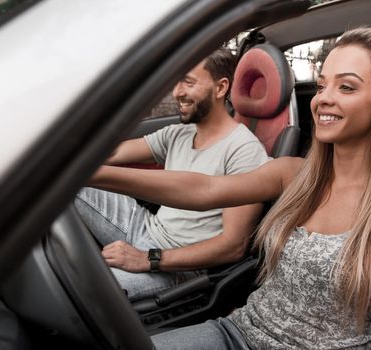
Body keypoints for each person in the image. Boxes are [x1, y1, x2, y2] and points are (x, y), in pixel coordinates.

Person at [88, 27, 371, 349]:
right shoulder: (295, 174)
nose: (323, 97)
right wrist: (86, 174)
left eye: (346, 87)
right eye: (322, 84)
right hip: (237, 332)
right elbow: (204, 191)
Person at [74, 47, 269, 302]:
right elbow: (112, 154)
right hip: (144, 227)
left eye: (188, 82)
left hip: (177, 265)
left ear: (220, 88)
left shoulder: (244, 150)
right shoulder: (179, 133)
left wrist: (148, 259)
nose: (177, 92)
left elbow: (234, 246)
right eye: (176, 82)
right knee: (67, 182)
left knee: (80, 290)